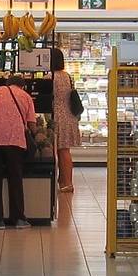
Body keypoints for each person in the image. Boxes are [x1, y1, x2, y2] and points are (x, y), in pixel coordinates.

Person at [0, 75, 37, 229]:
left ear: (7, 84)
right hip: (15, 140)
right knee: (15, 178)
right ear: (22, 86)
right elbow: (32, 125)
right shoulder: (26, 97)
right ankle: (19, 219)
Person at [50, 48, 79, 192]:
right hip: (69, 116)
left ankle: (67, 183)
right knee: (64, 150)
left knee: (61, 151)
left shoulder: (51, 77)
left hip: (58, 117)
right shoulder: (67, 76)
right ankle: (64, 181)